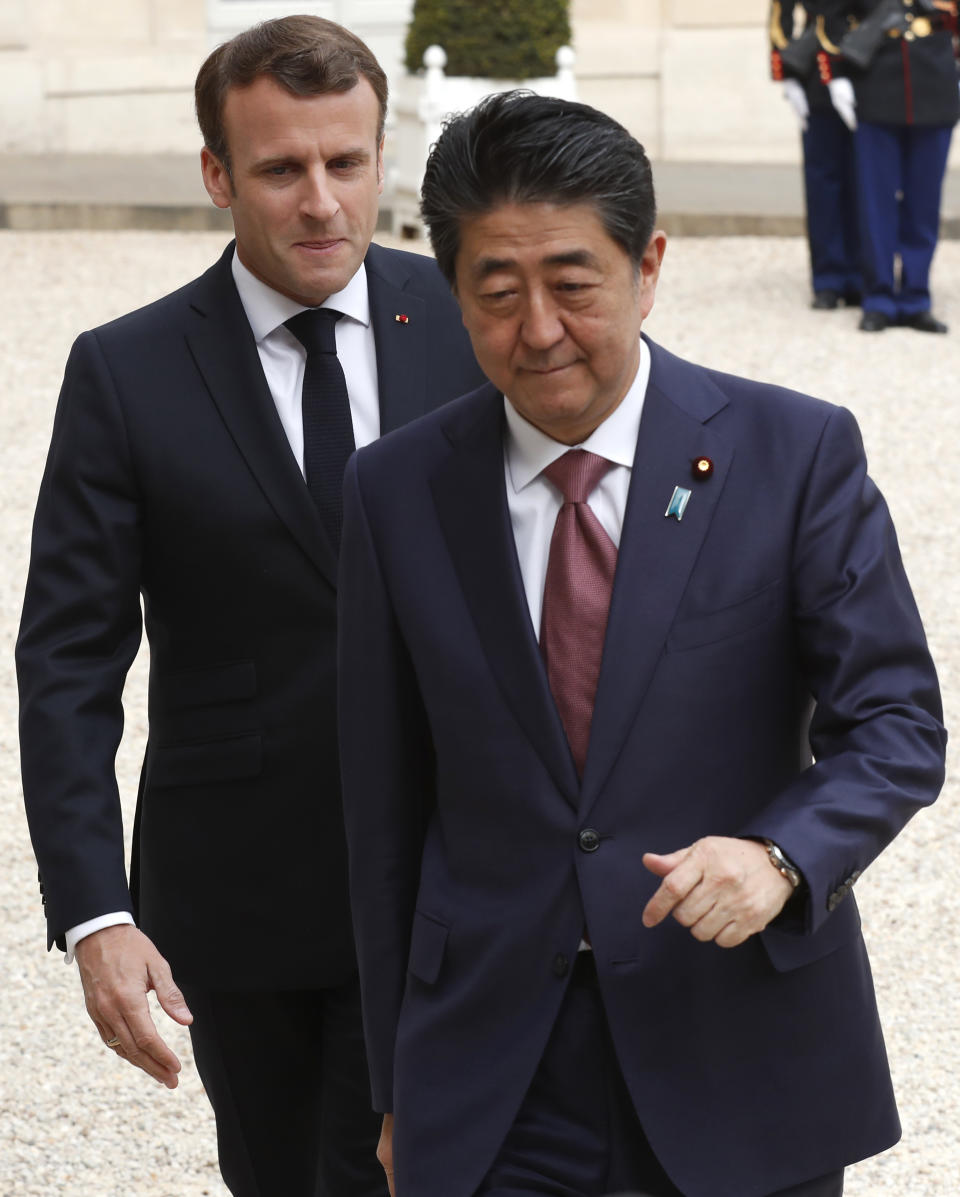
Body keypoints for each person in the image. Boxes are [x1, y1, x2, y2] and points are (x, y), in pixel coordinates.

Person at [337, 91, 946, 1197]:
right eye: (496, 293)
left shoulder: (793, 452)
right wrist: (394, 1086)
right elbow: (382, 808)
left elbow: (897, 723)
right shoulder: (395, 490)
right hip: (493, 1072)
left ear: (649, 264)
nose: (538, 331)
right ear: (451, 290)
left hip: (740, 1042)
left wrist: (780, 857)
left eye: (572, 286)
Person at [16, 15, 482, 1197]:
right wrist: (94, 913)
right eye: (281, 169)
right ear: (218, 175)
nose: (322, 202)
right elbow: (67, 658)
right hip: (237, 896)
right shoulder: (124, 372)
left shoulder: (479, 323)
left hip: (461, 875)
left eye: (348, 163)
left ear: (385, 159)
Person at [814, 0, 959, 331]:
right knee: (875, 205)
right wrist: (836, 75)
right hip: (876, 86)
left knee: (923, 205)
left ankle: (915, 297)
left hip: (936, 87)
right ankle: (878, 297)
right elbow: (833, 16)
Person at [770, 1, 862, 308]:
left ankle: (864, 274)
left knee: (867, 182)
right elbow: (780, 14)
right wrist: (787, 74)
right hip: (817, 78)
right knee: (824, 182)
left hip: (871, 69)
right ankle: (829, 277)